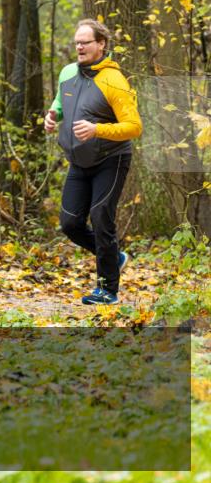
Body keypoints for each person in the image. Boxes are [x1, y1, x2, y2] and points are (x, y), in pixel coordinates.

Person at [44, 19, 142, 305]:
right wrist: (52, 117)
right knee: (70, 224)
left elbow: (134, 127)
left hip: (111, 159)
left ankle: (108, 290)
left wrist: (97, 129)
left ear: (101, 44)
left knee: (101, 218)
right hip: (78, 161)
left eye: (85, 42)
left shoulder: (114, 80)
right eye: (77, 42)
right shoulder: (67, 73)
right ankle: (115, 257)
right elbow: (60, 105)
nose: (79, 46)